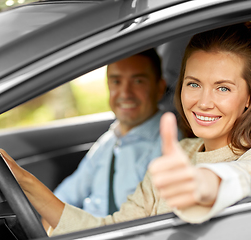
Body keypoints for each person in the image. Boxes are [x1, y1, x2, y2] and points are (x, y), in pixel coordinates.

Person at [0, 22, 251, 236]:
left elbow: (243, 180)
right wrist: (24, 180)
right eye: (194, 84)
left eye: (223, 88)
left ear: (250, 97)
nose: (203, 102)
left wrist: (199, 185)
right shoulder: (181, 151)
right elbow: (112, 230)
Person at [53, 49, 168, 217]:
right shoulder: (108, 141)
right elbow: (64, 197)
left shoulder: (167, 144)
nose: (125, 93)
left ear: (159, 88)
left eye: (138, 81)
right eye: (116, 82)